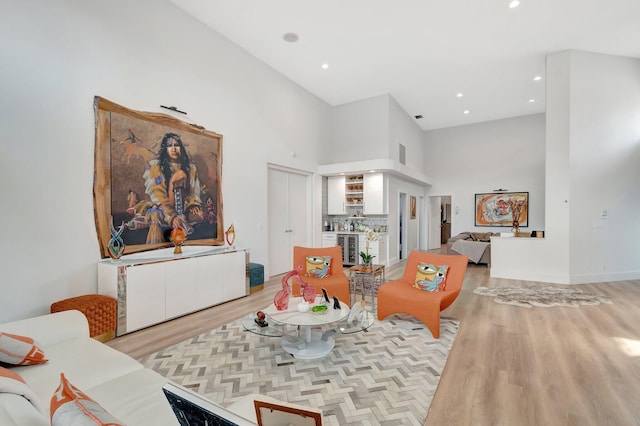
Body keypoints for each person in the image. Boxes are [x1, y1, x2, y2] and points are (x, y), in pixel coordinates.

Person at [143, 132, 204, 231]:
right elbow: (158, 196)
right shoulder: (156, 166)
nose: (174, 149)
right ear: (165, 148)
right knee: (162, 218)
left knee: (199, 215)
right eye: (169, 146)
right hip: (163, 207)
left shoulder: (191, 168)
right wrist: (171, 216)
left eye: (176, 145)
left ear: (181, 148)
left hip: (183, 207)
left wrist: (192, 205)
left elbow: (194, 191)